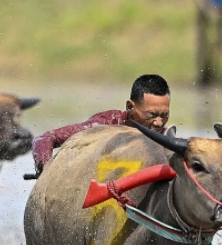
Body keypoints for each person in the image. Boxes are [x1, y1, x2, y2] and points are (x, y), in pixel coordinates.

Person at [31, 74, 171, 175]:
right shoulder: (104, 125)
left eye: (164, 115)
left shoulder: (166, 138)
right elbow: (45, 138)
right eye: (151, 115)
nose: (159, 123)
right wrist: (45, 171)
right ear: (130, 107)